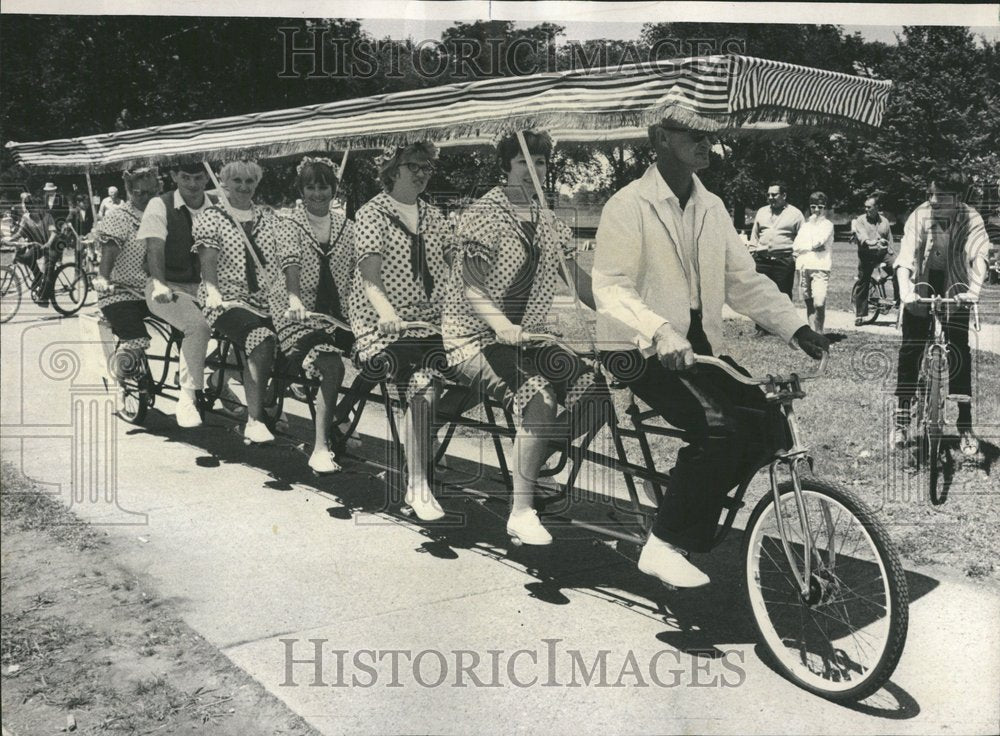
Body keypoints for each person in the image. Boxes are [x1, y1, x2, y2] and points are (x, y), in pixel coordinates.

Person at [593, 116, 829, 588]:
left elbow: (743, 281)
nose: (707, 143)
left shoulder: (711, 206)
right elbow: (611, 287)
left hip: (699, 344)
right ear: (660, 140)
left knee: (768, 423)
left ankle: (690, 518)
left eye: (709, 135)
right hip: (634, 346)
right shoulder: (628, 204)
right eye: (694, 135)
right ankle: (663, 543)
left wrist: (796, 327)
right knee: (718, 430)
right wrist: (659, 331)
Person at [443, 130, 603, 545]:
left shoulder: (549, 220)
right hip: (475, 338)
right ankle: (521, 510)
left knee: (595, 395)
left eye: (542, 163)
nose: (534, 171)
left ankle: (525, 468)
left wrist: (625, 310)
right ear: (506, 167)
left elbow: (579, 283)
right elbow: (472, 288)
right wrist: (500, 325)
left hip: (528, 339)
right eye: (523, 162)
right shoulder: (483, 213)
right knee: (539, 396)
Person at [348, 142, 455, 521]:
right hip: (384, 322)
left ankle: (423, 432)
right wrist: (387, 314)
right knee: (422, 383)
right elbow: (370, 278)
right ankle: (417, 484)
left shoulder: (434, 216)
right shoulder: (372, 213)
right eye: (414, 166)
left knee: (472, 367)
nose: (423, 173)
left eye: (428, 167)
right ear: (393, 169)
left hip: (429, 321)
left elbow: (454, 270)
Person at [893, 173, 991, 457]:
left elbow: (979, 256)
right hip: (923, 277)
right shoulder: (919, 215)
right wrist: (905, 290)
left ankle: (964, 425)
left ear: (957, 198)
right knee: (911, 348)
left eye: (942, 195)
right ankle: (901, 420)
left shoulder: (971, 218)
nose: (933, 200)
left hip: (957, 282)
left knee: (959, 347)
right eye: (930, 193)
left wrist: (973, 291)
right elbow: (906, 256)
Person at [273, 157, 356, 473]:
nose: (318, 194)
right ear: (301, 189)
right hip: (298, 309)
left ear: (334, 189)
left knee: (378, 353)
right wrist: (295, 300)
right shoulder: (289, 224)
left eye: (324, 187)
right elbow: (290, 264)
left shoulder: (348, 227)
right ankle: (321, 446)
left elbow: (355, 272)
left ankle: (340, 411)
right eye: (311, 187)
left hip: (337, 311)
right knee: (331, 364)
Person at [194, 160, 282, 444]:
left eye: (249, 182)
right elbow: (207, 262)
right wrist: (214, 293)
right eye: (237, 181)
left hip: (264, 298)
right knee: (262, 339)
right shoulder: (212, 217)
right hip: (226, 298)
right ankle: (254, 420)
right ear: (224, 183)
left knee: (300, 336)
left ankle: (267, 396)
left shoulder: (268, 218)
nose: (244, 187)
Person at [138, 162, 219, 428]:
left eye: (198, 177)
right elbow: (155, 248)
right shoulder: (159, 205)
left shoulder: (219, 205)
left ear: (207, 175)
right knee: (197, 327)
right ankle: (186, 398)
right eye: (186, 177)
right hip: (167, 286)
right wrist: (160, 284)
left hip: (206, 287)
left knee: (248, 322)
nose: (193, 184)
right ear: (174, 176)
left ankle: (220, 380)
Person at [91, 168, 161, 378]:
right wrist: (103, 278)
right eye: (140, 193)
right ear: (130, 192)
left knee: (188, 327)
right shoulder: (120, 217)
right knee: (135, 340)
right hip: (120, 291)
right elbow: (109, 251)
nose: (146, 198)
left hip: (150, 291)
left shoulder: (160, 216)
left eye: (151, 193)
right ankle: (119, 376)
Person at [748, 180, 804, 336]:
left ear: (784, 195)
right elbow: (755, 234)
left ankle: (784, 328)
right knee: (760, 294)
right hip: (762, 260)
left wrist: (794, 257)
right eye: (768, 195)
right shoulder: (762, 212)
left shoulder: (796, 214)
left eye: (774, 194)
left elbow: (803, 237)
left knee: (783, 295)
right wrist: (753, 251)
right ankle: (761, 328)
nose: (770, 197)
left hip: (783, 261)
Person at [851, 194, 898, 324]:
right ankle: (860, 315)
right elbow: (863, 237)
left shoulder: (885, 221)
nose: (866, 209)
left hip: (882, 253)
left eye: (869, 207)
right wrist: (871, 242)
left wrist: (893, 255)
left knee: (898, 268)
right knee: (863, 280)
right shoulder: (860, 220)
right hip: (866, 254)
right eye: (865, 207)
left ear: (877, 208)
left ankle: (898, 301)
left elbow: (890, 241)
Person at [6, 194, 59, 307]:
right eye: (28, 208)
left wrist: (48, 243)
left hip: (52, 246)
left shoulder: (47, 216)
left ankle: (44, 298)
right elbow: (19, 233)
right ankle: (39, 276)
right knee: (26, 257)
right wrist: (8, 240)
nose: (31, 211)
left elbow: (54, 233)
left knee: (49, 270)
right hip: (38, 246)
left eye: (33, 208)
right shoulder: (26, 218)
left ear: (38, 207)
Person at [793, 191, 834, 334]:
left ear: (825, 208)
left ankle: (820, 332)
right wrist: (809, 248)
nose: (816, 210)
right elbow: (796, 245)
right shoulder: (805, 226)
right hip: (804, 266)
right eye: (813, 206)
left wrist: (805, 247)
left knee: (819, 302)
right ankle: (813, 335)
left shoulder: (827, 225)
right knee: (809, 302)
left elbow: (819, 241)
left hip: (820, 267)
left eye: (820, 207)